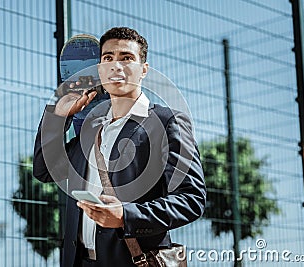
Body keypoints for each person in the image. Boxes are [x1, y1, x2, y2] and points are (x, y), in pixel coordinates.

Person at [33, 27, 206, 267]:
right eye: (108, 58)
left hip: (133, 261)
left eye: (126, 58)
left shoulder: (167, 122)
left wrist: (127, 216)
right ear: (101, 70)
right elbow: (44, 170)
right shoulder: (92, 130)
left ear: (143, 70)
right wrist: (57, 117)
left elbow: (191, 199)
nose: (116, 66)